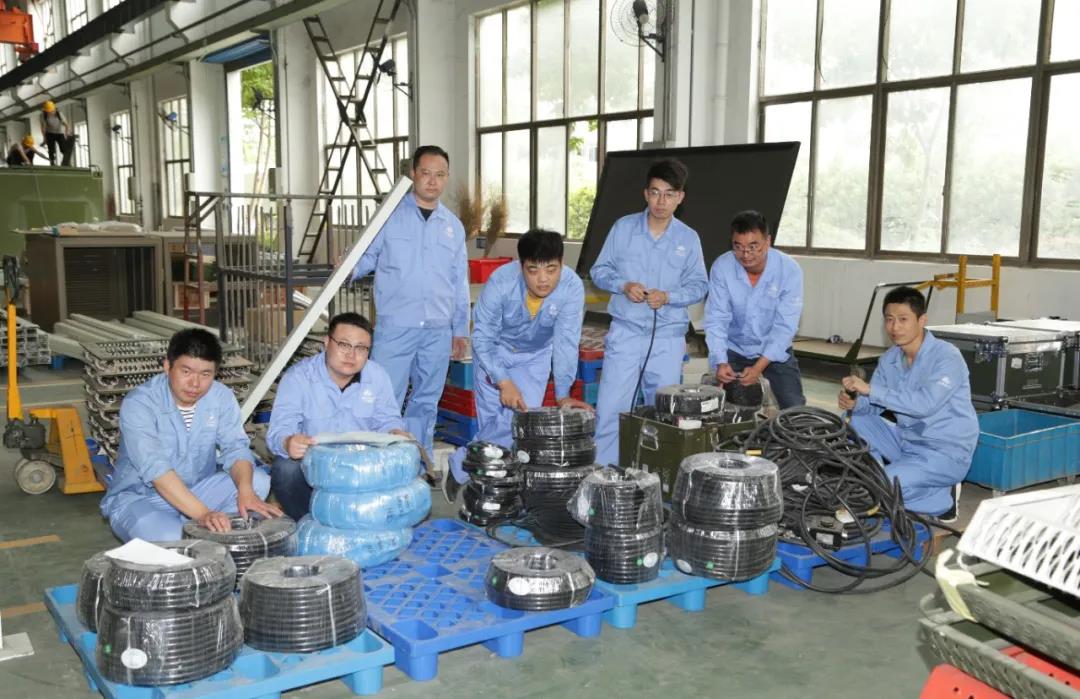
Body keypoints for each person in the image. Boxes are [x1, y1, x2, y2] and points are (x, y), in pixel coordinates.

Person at [445, 229, 591, 499]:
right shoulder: (501, 282)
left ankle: (461, 464)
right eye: (533, 270)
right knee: (491, 424)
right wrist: (503, 381)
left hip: (535, 357)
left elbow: (566, 342)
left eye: (551, 269)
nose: (543, 279)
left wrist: (563, 394)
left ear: (561, 264)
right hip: (495, 353)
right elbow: (483, 338)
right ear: (521, 266)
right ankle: (485, 489)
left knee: (520, 425)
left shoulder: (571, 288)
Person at [100, 329, 281, 542]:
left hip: (197, 491)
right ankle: (202, 530)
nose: (195, 384)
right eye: (186, 371)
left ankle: (214, 535)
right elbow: (155, 469)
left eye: (205, 374)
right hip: (143, 498)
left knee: (257, 481)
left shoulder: (220, 396)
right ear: (167, 366)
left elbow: (235, 448)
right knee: (171, 537)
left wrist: (246, 491)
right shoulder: (140, 403)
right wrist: (204, 514)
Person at [351, 145, 470, 459]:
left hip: (438, 330)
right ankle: (382, 462)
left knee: (426, 401)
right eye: (426, 173)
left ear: (446, 178)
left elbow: (459, 281)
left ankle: (417, 461)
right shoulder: (389, 217)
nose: (432, 181)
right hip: (396, 327)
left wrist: (460, 330)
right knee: (385, 397)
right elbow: (367, 256)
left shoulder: (452, 226)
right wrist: (347, 268)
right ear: (413, 174)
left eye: (440, 175)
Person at [589, 158, 708, 466]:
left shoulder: (688, 238)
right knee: (611, 409)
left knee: (665, 413)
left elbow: (699, 285)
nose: (661, 201)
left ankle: (657, 477)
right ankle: (605, 474)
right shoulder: (623, 228)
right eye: (655, 193)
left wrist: (669, 297)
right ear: (646, 194)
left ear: (680, 197)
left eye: (669, 194)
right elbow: (599, 271)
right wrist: (623, 285)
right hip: (626, 333)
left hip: (667, 338)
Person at [839, 286, 978, 519]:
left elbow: (924, 405)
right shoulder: (890, 359)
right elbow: (874, 404)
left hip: (944, 452)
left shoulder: (947, 356)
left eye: (903, 319)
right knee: (851, 422)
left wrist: (870, 390)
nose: (895, 327)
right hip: (907, 442)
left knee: (878, 489)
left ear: (921, 320)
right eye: (889, 319)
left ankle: (942, 499)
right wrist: (855, 403)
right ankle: (882, 479)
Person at [266, 312, 412, 520]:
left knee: (406, 458)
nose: (351, 355)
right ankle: (313, 521)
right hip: (316, 468)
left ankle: (365, 519)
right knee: (286, 469)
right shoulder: (298, 378)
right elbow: (279, 430)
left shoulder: (377, 376)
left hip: (362, 466)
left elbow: (388, 420)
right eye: (344, 345)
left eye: (361, 348)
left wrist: (395, 432)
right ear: (326, 343)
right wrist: (288, 442)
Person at [704, 210, 806, 409]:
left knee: (794, 409)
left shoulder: (788, 270)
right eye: (738, 247)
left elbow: (785, 326)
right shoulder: (722, 267)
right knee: (724, 410)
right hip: (734, 349)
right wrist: (721, 361)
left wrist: (759, 367)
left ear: (767, 241)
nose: (745, 254)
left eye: (753, 247)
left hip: (774, 351)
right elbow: (716, 318)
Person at [39, 100, 70, 166]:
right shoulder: (43, 115)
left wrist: (66, 135)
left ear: (53, 109)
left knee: (63, 148)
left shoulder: (59, 114)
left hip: (59, 133)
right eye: (48, 111)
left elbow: (66, 125)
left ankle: (66, 162)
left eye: (51, 111)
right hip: (49, 133)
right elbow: (43, 128)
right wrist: (44, 139)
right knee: (51, 149)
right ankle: (52, 162)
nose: (50, 112)